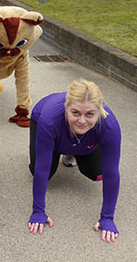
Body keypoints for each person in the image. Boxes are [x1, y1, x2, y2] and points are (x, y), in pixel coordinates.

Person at [28, 79, 121, 243]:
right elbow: (42, 169)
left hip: (83, 138)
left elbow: (112, 174)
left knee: (98, 173)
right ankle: (43, 150)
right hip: (48, 125)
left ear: (99, 111)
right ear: (66, 108)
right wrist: (38, 211)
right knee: (42, 170)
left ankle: (71, 152)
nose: (82, 120)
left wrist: (107, 217)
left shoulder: (109, 125)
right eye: (75, 113)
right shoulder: (49, 119)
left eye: (90, 114)